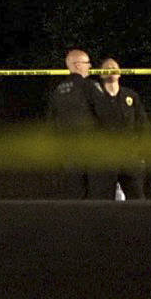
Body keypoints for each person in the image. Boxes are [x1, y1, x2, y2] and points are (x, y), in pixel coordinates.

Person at [47, 49, 106, 199]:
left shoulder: (57, 91)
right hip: (91, 150)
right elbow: (105, 114)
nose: (90, 66)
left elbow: (51, 123)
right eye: (87, 63)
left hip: (67, 151)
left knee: (75, 196)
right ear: (78, 65)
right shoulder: (90, 86)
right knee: (96, 195)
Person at [89, 57, 149, 200]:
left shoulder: (131, 96)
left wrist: (141, 151)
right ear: (100, 73)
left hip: (130, 156)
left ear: (120, 72)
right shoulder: (94, 97)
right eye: (107, 67)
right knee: (102, 201)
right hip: (103, 158)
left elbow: (142, 124)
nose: (111, 69)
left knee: (137, 198)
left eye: (114, 66)